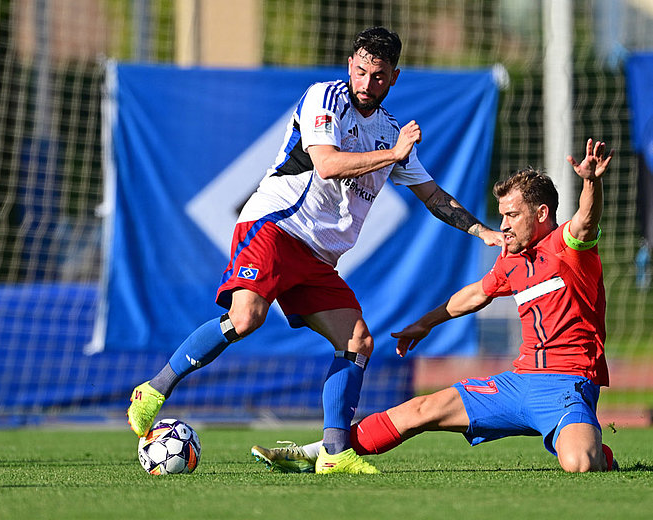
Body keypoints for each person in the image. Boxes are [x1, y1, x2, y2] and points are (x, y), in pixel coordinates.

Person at [127, 26, 503, 475]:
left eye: (378, 76)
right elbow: (325, 164)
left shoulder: (388, 131)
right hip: (276, 225)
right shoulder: (325, 98)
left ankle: (333, 452)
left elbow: (434, 196)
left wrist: (483, 232)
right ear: (350, 66)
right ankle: (152, 390)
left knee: (358, 341)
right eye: (361, 71)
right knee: (247, 317)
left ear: (394, 78)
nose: (366, 83)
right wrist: (394, 154)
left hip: (319, 257)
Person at [252, 139, 619, 473]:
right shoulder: (510, 259)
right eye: (502, 215)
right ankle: (321, 452)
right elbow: (476, 294)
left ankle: (598, 452)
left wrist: (591, 182)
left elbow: (586, 220)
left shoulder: (569, 247)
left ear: (541, 214)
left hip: (567, 385)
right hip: (518, 384)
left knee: (580, 464)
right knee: (420, 410)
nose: (503, 225)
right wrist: (425, 323)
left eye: (512, 215)